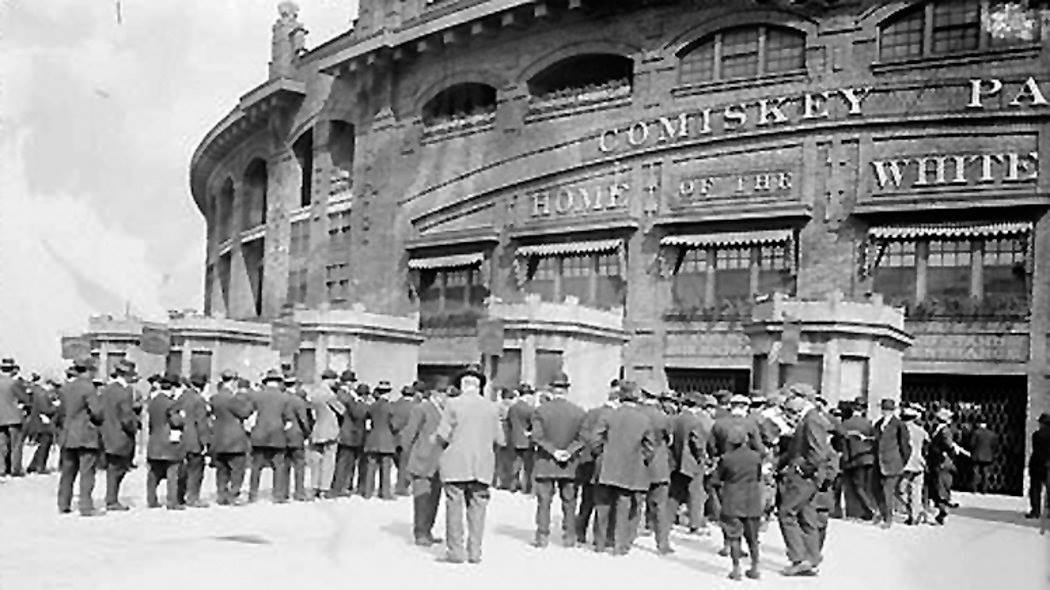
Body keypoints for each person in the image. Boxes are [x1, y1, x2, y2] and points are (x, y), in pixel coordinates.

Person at [434, 364, 505, 564]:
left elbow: (442, 434)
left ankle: (456, 552)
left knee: (454, 507)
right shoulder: (492, 407)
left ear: (461, 385)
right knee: (478, 509)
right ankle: (475, 552)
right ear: (479, 385)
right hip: (482, 465)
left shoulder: (452, 404)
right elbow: (500, 440)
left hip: (456, 463)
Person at [591, 381, 655, 556]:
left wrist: (600, 455)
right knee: (623, 505)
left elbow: (595, 439)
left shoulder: (608, 415)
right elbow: (650, 447)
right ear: (637, 398)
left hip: (606, 466)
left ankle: (600, 543)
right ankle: (619, 545)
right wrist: (641, 460)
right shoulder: (644, 419)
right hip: (630, 467)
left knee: (602, 505)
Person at [776, 394, 831, 577]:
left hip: (804, 477)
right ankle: (812, 558)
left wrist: (804, 469)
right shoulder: (810, 418)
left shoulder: (811, 420)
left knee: (786, 513)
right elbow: (795, 450)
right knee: (807, 515)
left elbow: (818, 452)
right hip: (809, 477)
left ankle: (798, 558)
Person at [530, 372, 586, 549]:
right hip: (569, 464)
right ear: (567, 390)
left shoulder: (541, 411)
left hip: (546, 462)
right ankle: (569, 536)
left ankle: (542, 536)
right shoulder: (578, 412)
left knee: (544, 501)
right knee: (569, 502)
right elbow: (583, 438)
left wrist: (554, 451)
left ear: (551, 389)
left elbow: (537, 437)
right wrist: (568, 452)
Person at [401, 379, 447, 546]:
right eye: (442, 393)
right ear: (434, 393)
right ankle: (420, 532)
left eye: (446, 393)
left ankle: (428, 530)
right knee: (421, 498)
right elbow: (409, 434)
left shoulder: (447, 411)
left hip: (439, 462)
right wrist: (407, 457)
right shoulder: (421, 409)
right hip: (422, 460)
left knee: (434, 498)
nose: (445, 397)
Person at [56, 359, 104, 516]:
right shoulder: (88, 388)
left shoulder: (65, 388)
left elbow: (61, 412)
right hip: (85, 434)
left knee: (67, 472)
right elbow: (96, 411)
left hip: (68, 433)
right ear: (89, 370)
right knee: (87, 471)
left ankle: (63, 503)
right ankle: (85, 505)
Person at [714, 427, 763, 581]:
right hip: (752, 499)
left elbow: (716, 479)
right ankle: (755, 567)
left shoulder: (726, 458)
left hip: (732, 499)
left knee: (734, 536)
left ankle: (736, 569)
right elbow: (759, 475)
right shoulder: (756, 457)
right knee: (753, 538)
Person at [575, 380, 620, 546]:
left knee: (587, 500)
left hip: (588, 461)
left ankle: (579, 531)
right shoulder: (616, 417)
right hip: (606, 463)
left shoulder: (592, 412)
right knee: (606, 502)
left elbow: (583, 434)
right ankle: (605, 536)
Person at [99, 360, 140, 511]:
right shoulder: (125, 392)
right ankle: (112, 499)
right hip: (121, 435)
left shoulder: (107, 390)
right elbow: (126, 417)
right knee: (119, 468)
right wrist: (134, 427)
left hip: (107, 432)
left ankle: (111, 498)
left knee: (112, 467)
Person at [209, 369, 253, 505]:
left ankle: (221, 494)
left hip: (219, 437)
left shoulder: (215, 398)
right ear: (233, 381)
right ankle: (234, 493)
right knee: (237, 469)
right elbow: (244, 413)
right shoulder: (233, 399)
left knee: (221, 469)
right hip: (234, 439)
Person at [669, 391, 710, 535]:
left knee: (675, 492)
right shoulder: (695, 421)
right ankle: (695, 524)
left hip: (676, 459)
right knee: (695, 493)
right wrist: (702, 457)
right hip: (691, 461)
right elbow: (697, 442)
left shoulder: (674, 419)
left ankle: (668, 520)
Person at [248, 369, 291, 503]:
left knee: (256, 466)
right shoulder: (284, 397)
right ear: (279, 382)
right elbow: (289, 420)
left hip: (259, 434)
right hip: (277, 434)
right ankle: (278, 495)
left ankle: (253, 494)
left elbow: (249, 414)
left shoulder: (257, 396)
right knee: (278, 466)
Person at [641, 387, 675, 554]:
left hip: (638, 463)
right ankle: (662, 544)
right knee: (661, 505)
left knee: (632, 503)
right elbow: (669, 440)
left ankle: (624, 539)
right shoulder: (664, 418)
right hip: (659, 464)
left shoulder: (637, 414)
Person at [146, 375, 186, 510]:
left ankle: (151, 500)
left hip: (154, 440)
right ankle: (172, 501)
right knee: (172, 473)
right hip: (168, 442)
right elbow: (175, 421)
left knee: (154, 473)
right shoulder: (171, 403)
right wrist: (182, 418)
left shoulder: (153, 401)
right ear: (173, 388)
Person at [175, 374, 213, 508]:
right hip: (195, 438)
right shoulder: (199, 400)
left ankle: (179, 496)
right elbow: (201, 423)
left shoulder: (182, 397)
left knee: (182, 469)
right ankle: (193, 497)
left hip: (182, 438)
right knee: (196, 469)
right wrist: (205, 442)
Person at [872, 399, 910, 529]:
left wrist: (902, 461)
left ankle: (888, 518)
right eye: (883, 409)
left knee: (888, 491)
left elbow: (905, 445)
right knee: (877, 490)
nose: (885, 412)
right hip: (878, 462)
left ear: (893, 411)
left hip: (893, 463)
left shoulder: (899, 425)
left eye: (888, 409)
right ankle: (882, 513)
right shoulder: (878, 424)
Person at [307, 369, 344, 499]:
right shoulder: (329, 395)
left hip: (317, 429)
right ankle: (324, 488)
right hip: (330, 430)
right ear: (329, 380)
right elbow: (341, 410)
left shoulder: (314, 393)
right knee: (329, 460)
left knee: (316, 460)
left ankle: (314, 487)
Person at [839, 400, 878, 520]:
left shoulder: (846, 423)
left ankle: (869, 509)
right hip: (868, 457)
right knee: (866, 486)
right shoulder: (868, 424)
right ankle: (865, 511)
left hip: (854, 459)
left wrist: (844, 459)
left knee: (857, 486)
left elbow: (842, 442)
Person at [929, 408, 968, 524]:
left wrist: (954, 450)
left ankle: (943, 509)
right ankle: (942, 508)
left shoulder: (945, 431)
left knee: (942, 485)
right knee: (939, 484)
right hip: (939, 461)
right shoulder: (940, 429)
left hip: (943, 461)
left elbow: (948, 444)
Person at [333, 379, 369, 497]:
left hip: (350, 435)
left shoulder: (349, 398)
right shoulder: (350, 400)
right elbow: (358, 414)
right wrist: (364, 403)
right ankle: (341, 487)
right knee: (346, 463)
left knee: (347, 463)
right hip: (351, 435)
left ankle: (344, 486)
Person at [363, 380, 398, 500]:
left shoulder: (372, 406)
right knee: (386, 468)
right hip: (386, 439)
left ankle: (367, 492)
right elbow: (394, 424)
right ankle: (385, 493)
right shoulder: (390, 406)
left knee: (371, 467)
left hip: (372, 438)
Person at [281, 372, 312, 502]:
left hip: (282, 435)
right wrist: (307, 433)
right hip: (296, 435)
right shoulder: (298, 401)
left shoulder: (280, 398)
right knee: (299, 465)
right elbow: (303, 420)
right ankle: (299, 492)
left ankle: (283, 492)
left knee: (284, 465)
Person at [0, 357, 30, 477]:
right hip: (14, 417)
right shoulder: (14, 383)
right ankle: (15, 468)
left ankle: (1, 468)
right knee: (16, 445)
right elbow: (25, 399)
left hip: (0, 418)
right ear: (12, 369)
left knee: (2, 445)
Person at [25, 376, 59, 474]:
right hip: (43, 424)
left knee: (42, 446)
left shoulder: (39, 393)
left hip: (38, 422)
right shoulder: (42, 395)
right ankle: (40, 466)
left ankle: (33, 465)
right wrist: (55, 407)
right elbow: (46, 409)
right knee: (44, 446)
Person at [391, 384, 419, 496]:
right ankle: (403, 487)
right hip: (409, 438)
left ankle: (400, 485)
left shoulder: (395, 405)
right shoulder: (416, 407)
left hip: (395, 437)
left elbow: (392, 422)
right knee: (406, 464)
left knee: (399, 463)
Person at [507, 387, 535, 494]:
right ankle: (526, 487)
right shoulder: (529, 409)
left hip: (514, 438)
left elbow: (509, 422)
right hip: (527, 440)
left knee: (516, 463)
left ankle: (513, 484)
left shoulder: (512, 408)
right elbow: (533, 424)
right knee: (528, 466)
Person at [1025, 412, 1050, 519]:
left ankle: (1035, 511)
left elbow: (1036, 450)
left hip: (1037, 464)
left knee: (1035, 489)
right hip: (1048, 465)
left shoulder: (1037, 435)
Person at [968, 419, 998, 494]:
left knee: (976, 472)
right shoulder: (992, 434)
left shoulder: (976, 433)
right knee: (985, 473)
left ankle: (974, 489)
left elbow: (972, 444)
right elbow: (994, 446)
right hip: (987, 456)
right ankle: (984, 490)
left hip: (977, 455)